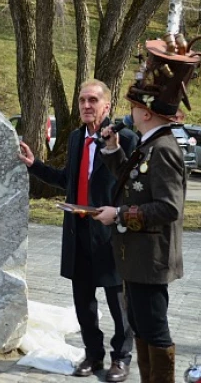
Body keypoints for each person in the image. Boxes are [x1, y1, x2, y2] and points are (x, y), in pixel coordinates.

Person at [92, 34, 201, 383]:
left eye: (131, 107)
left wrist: (121, 215)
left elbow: (168, 207)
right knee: (142, 330)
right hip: (138, 258)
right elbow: (134, 186)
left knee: (154, 332)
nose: (127, 113)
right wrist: (113, 151)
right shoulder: (149, 145)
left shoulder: (164, 149)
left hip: (152, 259)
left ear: (144, 112)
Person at [19, 80, 136, 381]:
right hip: (77, 232)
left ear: (107, 106)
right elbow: (68, 180)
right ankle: (93, 355)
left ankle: (121, 358)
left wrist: (120, 216)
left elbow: (133, 187)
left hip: (111, 234)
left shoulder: (125, 138)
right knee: (83, 301)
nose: (86, 105)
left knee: (118, 302)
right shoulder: (74, 138)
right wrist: (35, 166)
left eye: (93, 100)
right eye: (83, 100)